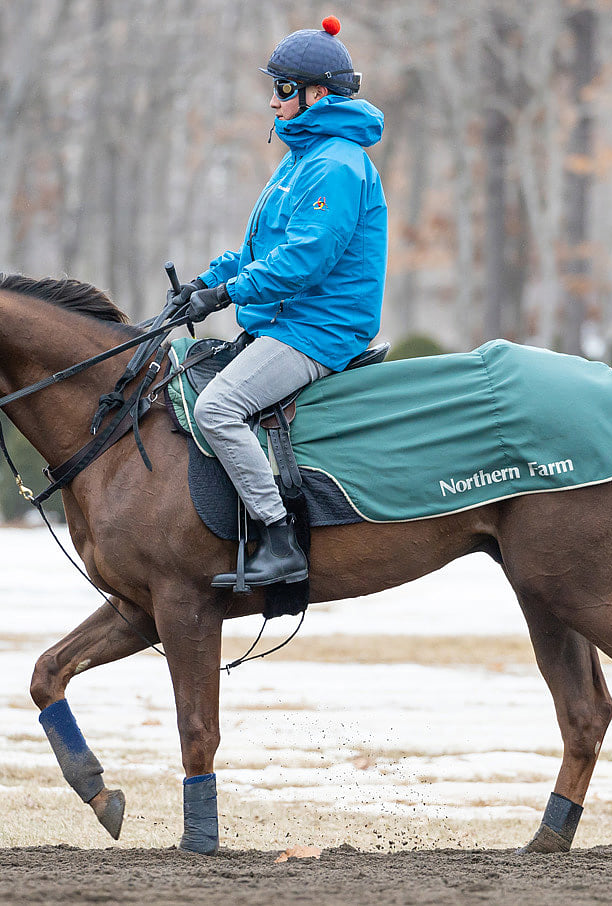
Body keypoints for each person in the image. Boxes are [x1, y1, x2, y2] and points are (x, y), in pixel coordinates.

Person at [179, 16, 388, 589]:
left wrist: (227, 294)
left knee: (217, 409)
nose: (272, 102)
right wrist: (204, 284)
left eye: (283, 89)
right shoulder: (301, 160)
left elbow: (303, 261)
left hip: (318, 331)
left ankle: (280, 539)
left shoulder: (336, 165)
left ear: (317, 94)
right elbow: (259, 249)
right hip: (285, 322)